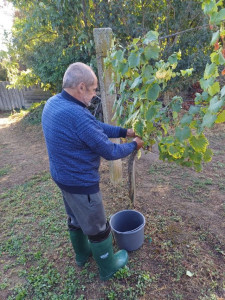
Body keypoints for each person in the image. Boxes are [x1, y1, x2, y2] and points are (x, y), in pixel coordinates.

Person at [41, 62, 144, 281]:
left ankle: (82, 254)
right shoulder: (77, 115)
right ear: (81, 87)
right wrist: (134, 144)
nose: (95, 94)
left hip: (62, 178)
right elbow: (109, 151)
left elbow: (94, 126)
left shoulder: (53, 104)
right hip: (81, 183)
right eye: (94, 89)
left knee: (75, 218)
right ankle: (108, 266)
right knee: (98, 227)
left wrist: (124, 131)